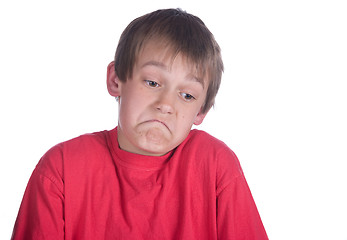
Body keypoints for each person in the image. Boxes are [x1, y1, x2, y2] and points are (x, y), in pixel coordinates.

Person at [11, 8, 268, 239]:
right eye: (152, 82)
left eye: (187, 95)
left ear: (200, 112)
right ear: (116, 80)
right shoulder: (62, 168)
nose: (166, 104)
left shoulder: (215, 166)